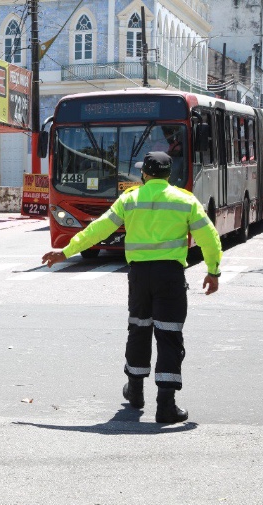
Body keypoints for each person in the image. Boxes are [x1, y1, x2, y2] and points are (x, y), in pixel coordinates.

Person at [41, 152, 223, 424]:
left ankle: (135, 392)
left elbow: (98, 230)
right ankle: (166, 405)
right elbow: (209, 237)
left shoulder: (130, 199)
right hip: (170, 277)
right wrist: (213, 271)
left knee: (139, 330)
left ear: (145, 174)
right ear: (168, 174)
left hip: (139, 277)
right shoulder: (185, 200)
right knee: (169, 334)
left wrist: (65, 252)